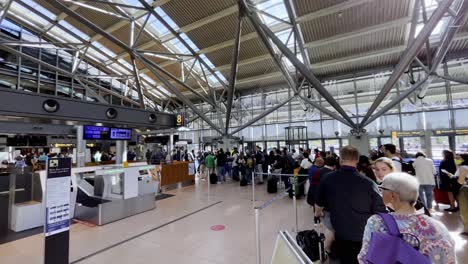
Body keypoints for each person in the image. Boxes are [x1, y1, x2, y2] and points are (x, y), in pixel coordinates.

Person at [358, 173, 456, 264]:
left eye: (381, 189)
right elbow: (450, 258)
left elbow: (364, 258)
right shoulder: (437, 225)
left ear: (392, 195)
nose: (380, 193)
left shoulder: (377, 222)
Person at [315, 146, 386, 264]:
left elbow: (318, 206)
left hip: (341, 234)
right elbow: (380, 212)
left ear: (340, 159)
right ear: (357, 160)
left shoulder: (328, 179)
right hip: (365, 234)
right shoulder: (369, 183)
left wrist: (319, 214)